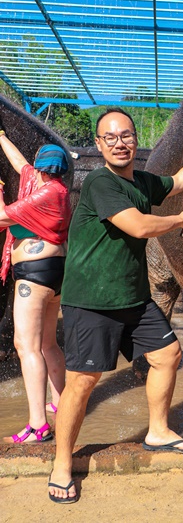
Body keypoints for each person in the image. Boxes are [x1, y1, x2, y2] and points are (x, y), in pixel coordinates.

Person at [47, 107, 183, 504]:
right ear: (99, 145)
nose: (119, 142)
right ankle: (62, 462)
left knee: (167, 354)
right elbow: (139, 226)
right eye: (109, 137)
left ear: (135, 140)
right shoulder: (100, 183)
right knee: (83, 381)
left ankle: (158, 431)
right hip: (92, 300)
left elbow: (179, 181)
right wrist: (179, 221)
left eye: (125, 135)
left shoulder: (142, 181)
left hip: (132, 298)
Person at [0, 129, 71, 444]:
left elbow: (2, 217)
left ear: (42, 169)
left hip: (33, 276)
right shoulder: (50, 185)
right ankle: (61, 403)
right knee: (47, 345)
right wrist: (1, 137)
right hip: (52, 274)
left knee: (25, 346)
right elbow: (20, 164)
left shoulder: (48, 194)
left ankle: (38, 425)